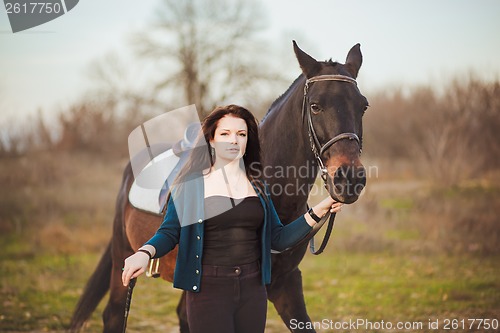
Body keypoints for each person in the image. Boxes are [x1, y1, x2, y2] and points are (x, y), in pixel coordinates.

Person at [122, 104, 343, 333]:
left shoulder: (258, 186)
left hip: (253, 291)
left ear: (248, 141)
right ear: (211, 139)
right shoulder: (191, 185)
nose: (233, 141)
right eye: (225, 134)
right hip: (208, 292)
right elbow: (169, 232)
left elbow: (278, 238)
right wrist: (144, 253)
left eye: (241, 134)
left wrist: (321, 208)